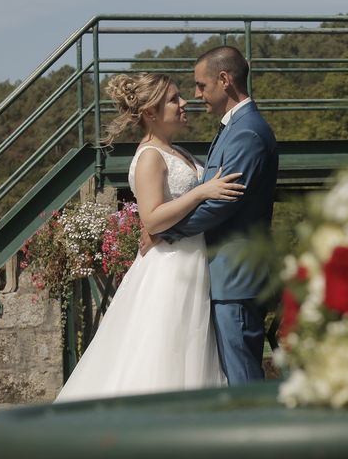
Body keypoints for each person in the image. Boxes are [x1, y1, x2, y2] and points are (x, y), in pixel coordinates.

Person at [54, 72, 244, 402]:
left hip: (189, 260)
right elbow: (153, 219)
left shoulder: (175, 150)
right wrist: (202, 193)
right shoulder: (150, 157)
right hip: (170, 269)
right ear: (151, 113)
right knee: (166, 353)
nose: (184, 102)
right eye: (174, 99)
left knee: (190, 352)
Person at [140, 46, 278, 385]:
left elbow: (223, 203)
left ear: (225, 80)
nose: (196, 95)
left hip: (236, 277)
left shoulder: (246, 131)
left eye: (201, 86)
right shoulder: (231, 129)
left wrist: (166, 231)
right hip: (221, 276)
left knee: (243, 376)